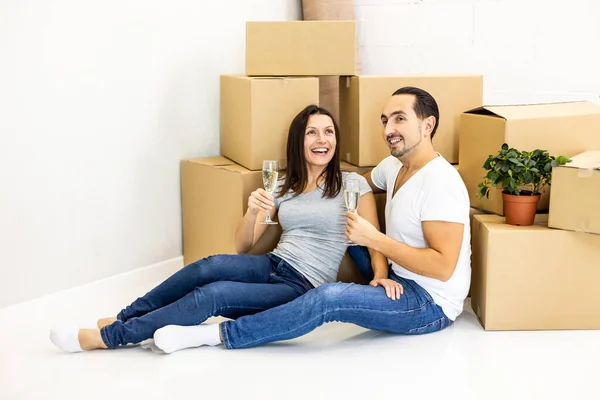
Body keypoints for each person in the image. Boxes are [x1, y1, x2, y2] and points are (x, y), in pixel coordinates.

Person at [148, 86, 472, 353]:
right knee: (214, 266)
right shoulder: (394, 168)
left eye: (400, 119)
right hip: (394, 276)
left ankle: (217, 335)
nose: (388, 130)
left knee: (327, 298)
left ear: (427, 125)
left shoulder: (440, 183)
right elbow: (353, 187)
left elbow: (442, 267)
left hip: (429, 301)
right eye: (385, 120)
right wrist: (378, 269)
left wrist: (375, 240)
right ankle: (135, 319)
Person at [49, 104, 385, 352]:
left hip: (301, 284)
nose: (321, 139)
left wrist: (379, 276)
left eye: (328, 132)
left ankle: (110, 338)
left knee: (214, 295)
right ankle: (124, 318)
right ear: (299, 140)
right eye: (312, 131)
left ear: (336, 140)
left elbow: (374, 242)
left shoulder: (352, 184)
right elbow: (242, 245)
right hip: (271, 263)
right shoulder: (285, 184)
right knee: (208, 266)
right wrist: (254, 212)